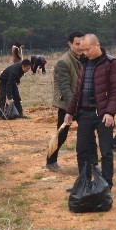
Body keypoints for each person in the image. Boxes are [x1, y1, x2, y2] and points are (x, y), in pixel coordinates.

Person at [64, 34, 116, 189]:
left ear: (97, 45)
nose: (84, 53)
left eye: (87, 49)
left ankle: (106, 185)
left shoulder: (111, 63)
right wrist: (69, 111)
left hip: (103, 114)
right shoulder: (83, 62)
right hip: (84, 114)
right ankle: (84, 183)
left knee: (106, 151)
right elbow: (78, 90)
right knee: (82, 151)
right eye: (82, 50)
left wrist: (110, 112)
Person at [47, 31, 84, 171]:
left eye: (82, 44)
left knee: (86, 133)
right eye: (77, 44)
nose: (80, 47)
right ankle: (50, 161)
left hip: (81, 103)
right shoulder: (64, 62)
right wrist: (73, 108)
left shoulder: (83, 58)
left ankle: (89, 163)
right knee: (61, 134)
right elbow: (65, 88)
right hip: (67, 105)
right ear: (69, 44)